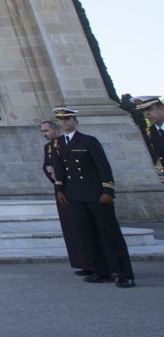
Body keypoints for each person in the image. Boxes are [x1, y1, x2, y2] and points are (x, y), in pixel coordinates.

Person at [50, 106, 135, 288]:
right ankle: (100, 271)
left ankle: (124, 273)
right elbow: (59, 169)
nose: (64, 122)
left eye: (68, 119)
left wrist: (108, 191)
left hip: (95, 194)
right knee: (86, 235)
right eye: (61, 120)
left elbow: (103, 168)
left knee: (109, 234)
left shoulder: (88, 141)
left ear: (75, 121)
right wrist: (60, 189)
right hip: (74, 195)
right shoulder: (59, 144)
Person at [39, 118, 84, 273]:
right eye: (43, 131)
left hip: (75, 188)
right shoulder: (49, 147)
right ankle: (84, 263)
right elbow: (46, 165)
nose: (44, 134)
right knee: (71, 227)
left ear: (55, 129)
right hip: (61, 189)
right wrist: (51, 173)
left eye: (46, 131)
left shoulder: (70, 143)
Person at [137, 96, 164, 174]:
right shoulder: (150, 132)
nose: (146, 114)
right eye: (143, 111)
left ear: (161, 109)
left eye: (149, 109)